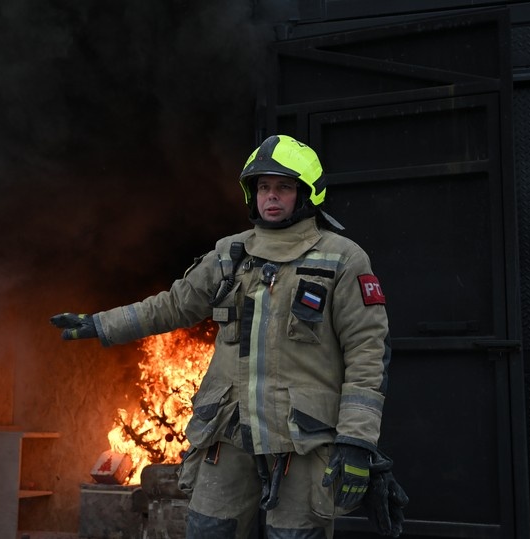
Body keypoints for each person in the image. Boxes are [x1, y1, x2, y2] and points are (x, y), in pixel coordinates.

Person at [52, 135, 407, 538]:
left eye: (284, 187)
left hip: (303, 441)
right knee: (208, 531)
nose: (271, 197)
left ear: (307, 194)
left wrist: (356, 441)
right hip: (229, 435)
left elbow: (367, 353)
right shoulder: (229, 254)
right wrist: (103, 325)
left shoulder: (343, 257)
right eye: (263, 188)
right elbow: (172, 305)